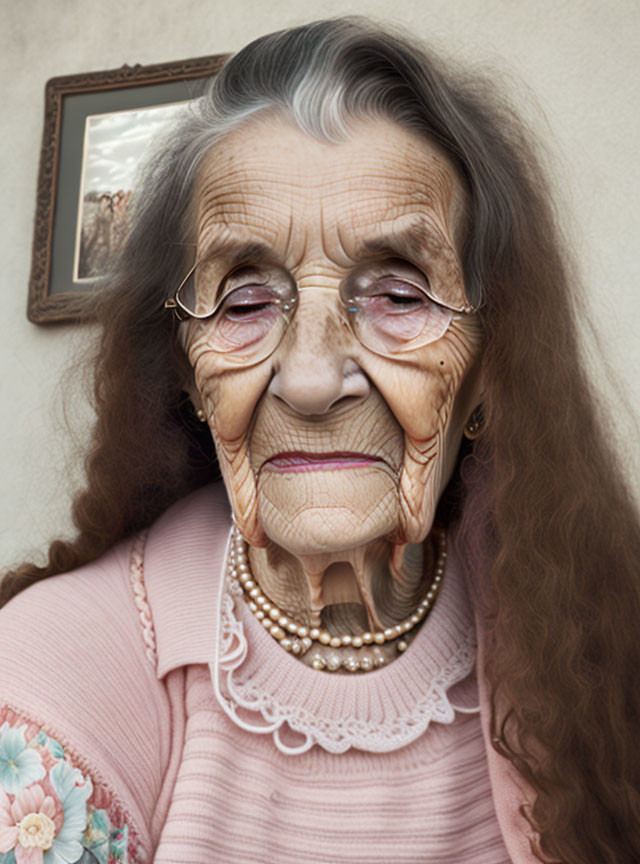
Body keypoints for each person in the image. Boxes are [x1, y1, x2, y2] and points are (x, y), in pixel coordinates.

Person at [1, 16, 638, 864]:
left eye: (401, 296)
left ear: (491, 370)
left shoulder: (595, 631)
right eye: (244, 302)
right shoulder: (57, 670)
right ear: (190, 376)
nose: (307, 380)